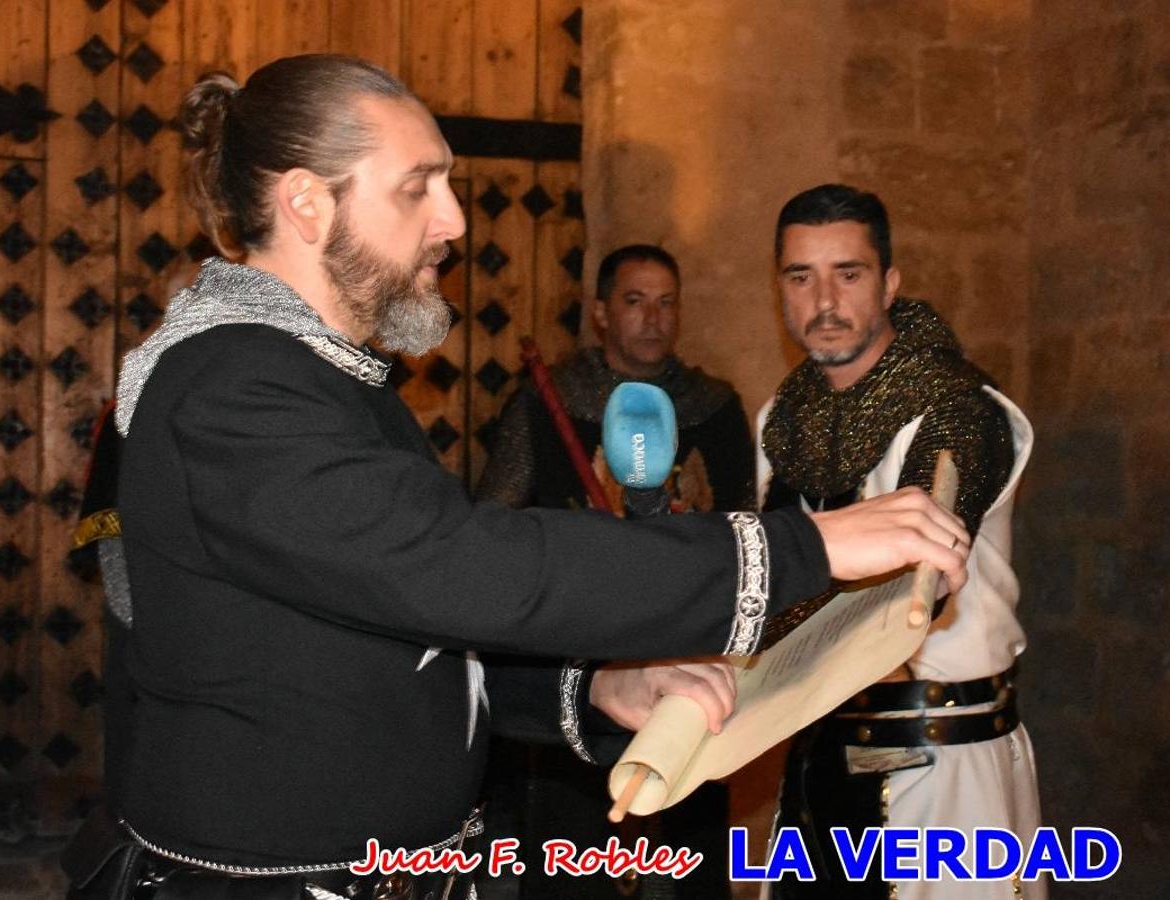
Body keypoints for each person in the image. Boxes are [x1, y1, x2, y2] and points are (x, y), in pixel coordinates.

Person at [63, 57, 970, 900]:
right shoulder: (233, 383)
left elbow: (383, 638)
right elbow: (460, 567)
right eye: (419, 186)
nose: (454, 219)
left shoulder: (318, 373)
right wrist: (803, 546)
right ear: (307, 203)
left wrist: (590, 688)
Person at [756, 184, 1043, 900]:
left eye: (847, 274)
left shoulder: (960, 412)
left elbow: (906, 586)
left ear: (889, 283)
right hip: (816, 751)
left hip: (940, 766)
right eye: (801, 277)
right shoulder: (783, 419)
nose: (824, 300)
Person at [475, 244, 752, 899]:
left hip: (686, 658)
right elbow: (492, 527)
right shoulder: (552, 400)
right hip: (579, 662)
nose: (653, 318)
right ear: (601, 313)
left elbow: (744, 535)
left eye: (666, 302)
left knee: (685, 863)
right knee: (578, 861)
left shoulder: (713, 407)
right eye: (634, 301)